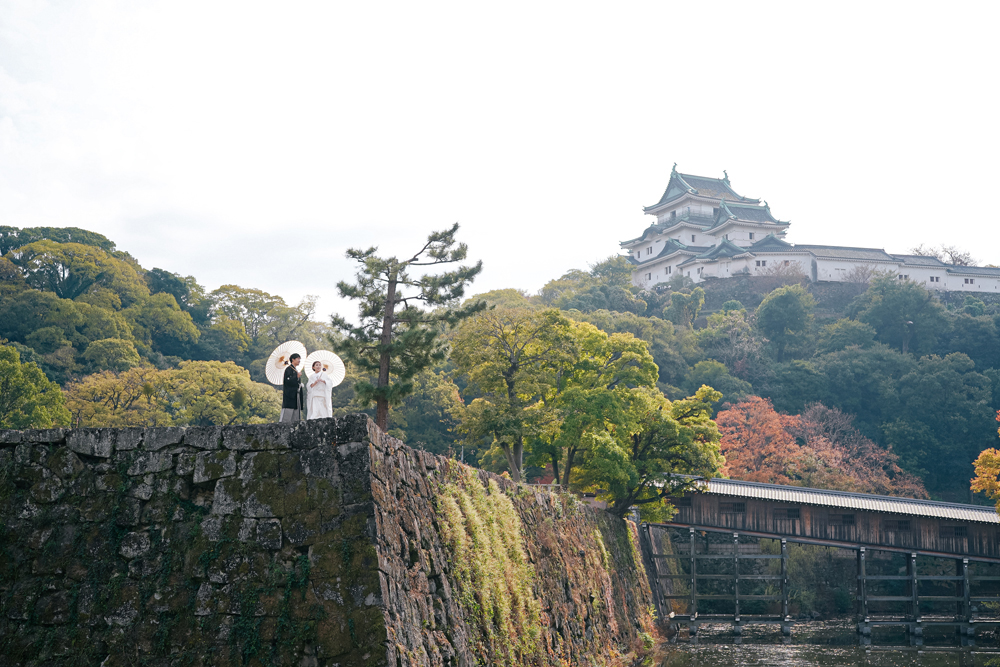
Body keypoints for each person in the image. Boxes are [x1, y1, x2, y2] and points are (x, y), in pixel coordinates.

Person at [279, 353, 302, 423]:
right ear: (293, 359)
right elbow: (288, 381)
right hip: (289, 396)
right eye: (298, 359)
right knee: (286, 417)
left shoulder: (295, 370)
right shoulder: (288, 369)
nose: (299, 360)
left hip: (296, 395)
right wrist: (296, 377)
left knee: (295, 418)